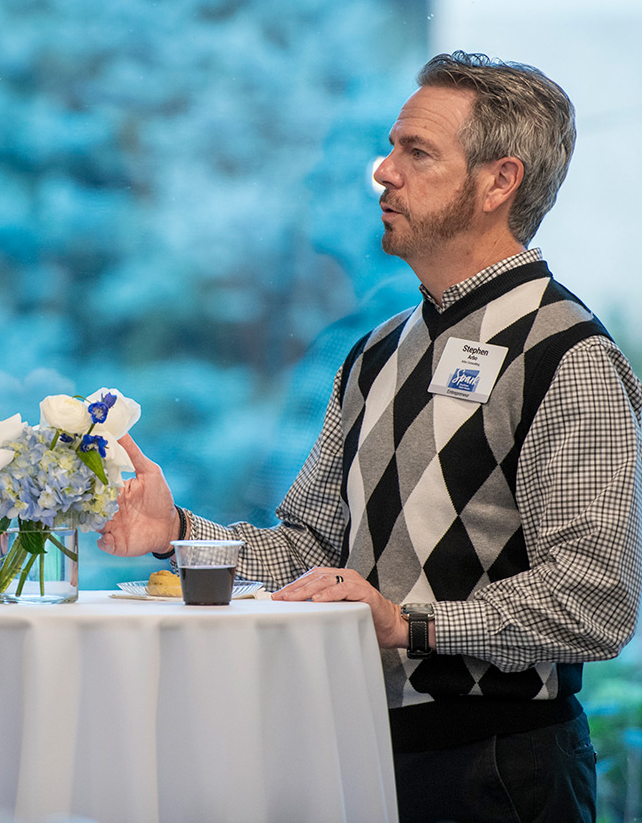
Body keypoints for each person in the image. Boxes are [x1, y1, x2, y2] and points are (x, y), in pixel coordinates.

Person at [98, 51, 641, 823]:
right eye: (391, 148)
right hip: (356, 749)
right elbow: (314, 555)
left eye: (417, 153)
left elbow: (595, 601)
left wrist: (405, 622)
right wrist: (178, 533)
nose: (383, 172)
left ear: (499, 182)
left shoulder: (570, 356)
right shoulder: (379, 350)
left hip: (498, 768)